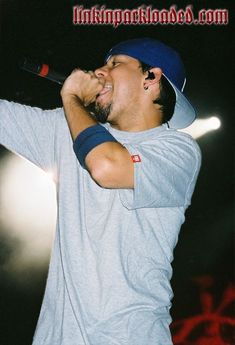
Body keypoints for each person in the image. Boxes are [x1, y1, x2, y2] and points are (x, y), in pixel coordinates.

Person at [0, 38, 201, 345]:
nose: (99, 71)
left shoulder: (178, 150)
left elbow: (106, 166)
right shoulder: (69, 128)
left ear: (152, 77)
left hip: (128, 337)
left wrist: (71, 98)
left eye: (115, 64)